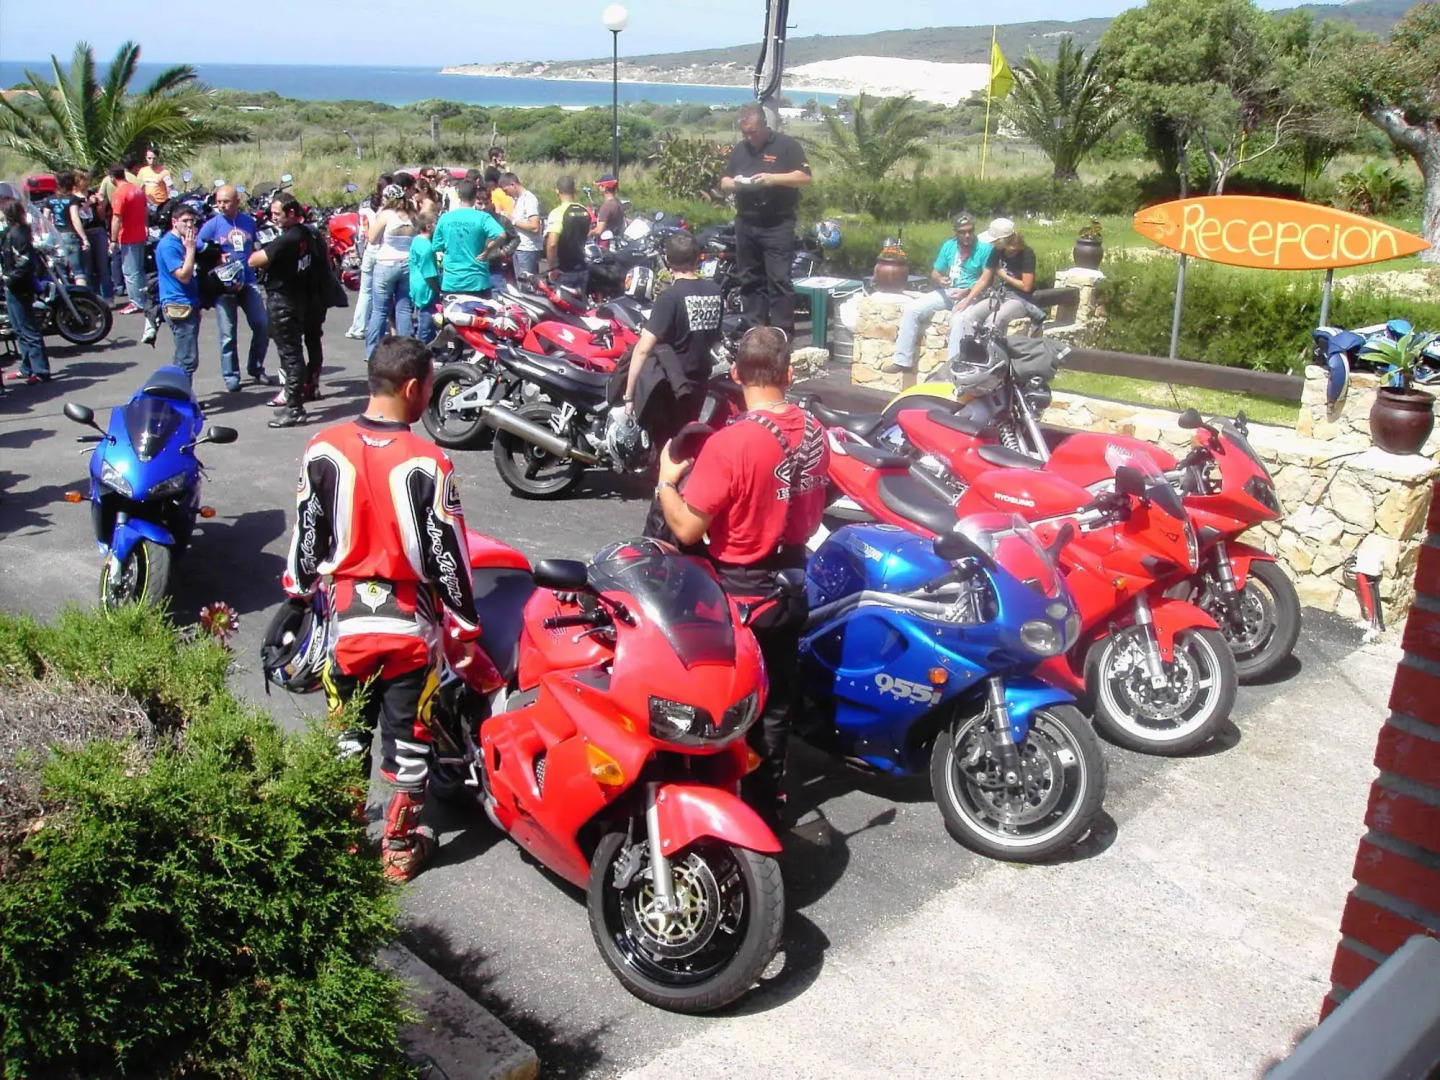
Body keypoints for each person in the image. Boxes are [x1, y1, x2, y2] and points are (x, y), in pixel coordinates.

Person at [282, 335, 498, 881]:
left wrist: (297, 593)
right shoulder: (429, 461)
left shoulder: (323, 447)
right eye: (428, 387)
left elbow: (307, 538)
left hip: (346, 624)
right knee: (410, 738)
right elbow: (448, 554)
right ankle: (398, 850)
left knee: (346, 734)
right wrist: (466, 625)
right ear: (412, 388)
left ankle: (344, 842)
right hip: (409, 627)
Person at [653, 326, 828, 828]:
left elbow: (687, 527)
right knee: (777, 702)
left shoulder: (730, 445)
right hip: (794, 583)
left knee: (726, 704)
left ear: (735, 375)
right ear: (789, 374)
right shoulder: (818, 433)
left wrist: (667, 481)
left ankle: (720, 806)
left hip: (741, 591)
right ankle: (767, 801)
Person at [620, 231, 723, 447]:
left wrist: (629, 396)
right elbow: (714, 339)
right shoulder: (715, 291)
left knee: (666, 443)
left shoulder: (670, 297)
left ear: (668, 261)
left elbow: (643, 349)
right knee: (686, 438)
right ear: (697, 259)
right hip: (700, 381)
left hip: (671, 384)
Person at [720, 103, 812, 338]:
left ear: (764, 125)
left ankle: (782, 332)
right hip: (747, 221)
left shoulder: (786, 145)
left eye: (753, 132)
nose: (750, 137)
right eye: (745, 133)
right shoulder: (740, 150)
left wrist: (772, 179)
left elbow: (804, 177)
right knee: (750, 278)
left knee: (779, 279)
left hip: (777, 223)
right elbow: (724, 182)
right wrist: (737, 183)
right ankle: (755, 330)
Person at [882, 213, 994, 375]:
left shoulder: (984, 249)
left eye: (970, 231)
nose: (967, 235)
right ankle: (902, 361)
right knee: (913, 309)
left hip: (973, 294)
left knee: (959, 320)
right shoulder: (949, 246)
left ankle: (951, 368)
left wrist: (968, 291)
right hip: (950, 290)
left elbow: (987, 280)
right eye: (962, 232)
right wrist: (939, 279)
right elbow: (935, 272)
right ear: (955, 231)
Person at [249, 195, 322, 428]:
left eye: (278, 214)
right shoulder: (309, 234)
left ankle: (294, 407)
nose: (274, 218)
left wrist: (262, 249)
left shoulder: (287, 239)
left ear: (291, 213)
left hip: (283, 300)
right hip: (300, 298)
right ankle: (300, 398)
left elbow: (254, 260)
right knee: (294, 353)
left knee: (290, 355)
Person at [198, 184, 276, 392]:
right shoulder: (212, 225)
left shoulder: (248, 222)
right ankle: (231, 375)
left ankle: (256, 368)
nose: (221, 206)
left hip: (248, 281)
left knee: (261, 325)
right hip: (223, 287)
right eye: (219, 202)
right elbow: (196, 245)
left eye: (226, 201)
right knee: (228, 334)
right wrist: (214, 255)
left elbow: (257, 246)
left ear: (237, 202)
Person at [949, 217, 1039, 348]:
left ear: (1002, 240)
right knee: (970, 317)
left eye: (994, 240)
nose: (992, 243)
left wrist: (1003, 275)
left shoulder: (1026, 254)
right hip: (1001, 294)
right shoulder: (997, 251)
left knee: (993, 321)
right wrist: (967, 301)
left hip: (1020, 299)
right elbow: (984, 279)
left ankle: (991, 356)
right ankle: (971, 354)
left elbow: (1026, 286)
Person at [1, 197, 53, 384]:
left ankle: (41, 371)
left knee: (28, 329)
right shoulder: (11, 232)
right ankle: (27, 368)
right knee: (19, 329)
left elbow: (24, 263)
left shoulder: (19, 234)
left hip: (19, 287)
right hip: (12, 286)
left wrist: (9, 278)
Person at [432, 179, 510, 297]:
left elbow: (437, 246)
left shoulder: (445, 218)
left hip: (452, 281)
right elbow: (501, 235)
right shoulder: (483, 217)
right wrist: (487, 251)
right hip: (478, 280)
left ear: (458, 195)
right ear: (475, 197)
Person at [364, 183, 415, 358]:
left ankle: (372, 351)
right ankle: (406, 349)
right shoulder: (411, 215)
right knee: (404, 308)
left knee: (379, 310)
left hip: (386, 263)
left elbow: (371, 238)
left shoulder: (386, 215)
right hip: (407, 263)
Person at [154, 204, 202, 378]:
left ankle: (178, 396)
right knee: (187, 359)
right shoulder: (169, 246)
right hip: (178, 304)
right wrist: (190, 249)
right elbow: (184, 276)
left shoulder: (182, 240)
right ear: (174, 222)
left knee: (183, 357)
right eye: (185, 221)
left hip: (189, 302)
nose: (189, 225)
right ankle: (183, 401)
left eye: (192, 221)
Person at [346, 173, 391, 340]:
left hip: (368, 250)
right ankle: (378, 326)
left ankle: (358, 327)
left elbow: (359, 233)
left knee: (365, 291)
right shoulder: (389, 208)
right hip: (383, 250)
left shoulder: (365, 205)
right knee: (382, 292)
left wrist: (359, 251)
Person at [108, 163, 149, 316]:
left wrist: (113, 239)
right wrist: (146, 226)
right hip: (140, 234)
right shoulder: (137, 189)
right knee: (138, 270)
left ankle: (136, 302)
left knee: (130, 271)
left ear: (112, 177)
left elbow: (116, 219)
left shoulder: (120, 193)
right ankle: (142, 298)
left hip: (128, 236)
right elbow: (146, 210)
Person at [544, 175, 592, 292]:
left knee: (563, 308)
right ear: (574, 191)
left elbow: (552, 244)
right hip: (582, 266)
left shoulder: (558, 213)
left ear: (557, 191)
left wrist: (551, 268)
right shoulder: (585, 211)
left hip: (564, 271)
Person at [44, 170, 89, 288]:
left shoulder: (50, 199)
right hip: (69, 234)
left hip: (55, 236)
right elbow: (75, 218)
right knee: (78, 272)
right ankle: (83, 298)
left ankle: (65, 300)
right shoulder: (72, 199)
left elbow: (45, 220)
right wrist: (84, 238)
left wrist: (46, 235)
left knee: (61, 271)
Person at [75, 169, 113, 304]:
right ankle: (92, 298)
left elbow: (102, 216)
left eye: (87, 179)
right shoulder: (73, 198)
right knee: (88, 268)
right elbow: (76, 215)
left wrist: (101, 204)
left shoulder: (92, 194)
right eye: (83, 179)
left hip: (98, 230)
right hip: (85, 232)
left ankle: (108, 296)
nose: (86, 183)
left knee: (103, 266)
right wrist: (88, 204)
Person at [499, 172, 542, 279]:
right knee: (520, 284)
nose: (506, 194)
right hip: (518, 248)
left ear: (513, 184)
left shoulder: (529, 199)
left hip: (528, 249)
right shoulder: (517, 200)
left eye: (506, 190)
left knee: (528, 285)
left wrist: (513, 221)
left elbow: (535, 226)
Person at [409, 211, 442, 344]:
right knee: (426, 321)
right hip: (426, 287)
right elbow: (429, 274)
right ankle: (422, 347)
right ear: (429, 227)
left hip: (416, 283)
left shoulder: (416, 240)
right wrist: (438, 289)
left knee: (425, 317)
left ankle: (429, 345)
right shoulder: (427, 247)